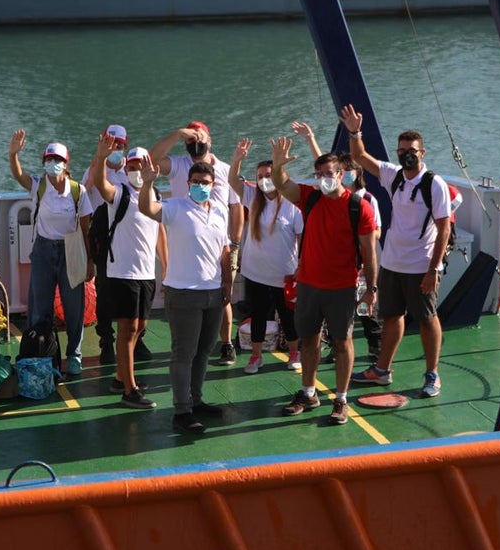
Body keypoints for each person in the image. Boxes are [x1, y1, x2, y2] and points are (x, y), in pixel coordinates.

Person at [340, 104, 453, 398]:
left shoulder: (434, 184)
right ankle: (382, 370)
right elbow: (360, 157)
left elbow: (444, 229)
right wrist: (355, 132)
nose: (407, 154)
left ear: (422, 153)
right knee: (391, 316)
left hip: (421, 267)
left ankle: (432, 374)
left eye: (412, 150)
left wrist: (433, 269)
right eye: (402, 150)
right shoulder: (394, 176)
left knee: (428, 318)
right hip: (392, 263)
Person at [270, 137, 377, 426]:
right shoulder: (311, 197)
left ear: (341, 174)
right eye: (319, 175)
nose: (323, 179)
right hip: (309, 285)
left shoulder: (359, 207)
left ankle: (341, 399)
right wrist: (278, 165)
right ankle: (309, 392)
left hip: (342, 287)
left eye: (329, 174)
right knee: (309, 341)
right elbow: (282, 184)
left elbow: (369, 251)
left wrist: (371, 289)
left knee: (342, 343)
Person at [138, 154, 232, 435]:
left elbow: (224, 251)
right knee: (184, 353)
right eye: (195, 182)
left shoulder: (219, 211)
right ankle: (181, 411)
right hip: (183, 294)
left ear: (213, 184)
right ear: (188, 183)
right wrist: (147, 184)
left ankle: (196, 399)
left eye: (205, 182)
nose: (200, 186)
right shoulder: (175, 207)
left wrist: (227, 283)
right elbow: (147, 209)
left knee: (203, 351)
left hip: (213, 293)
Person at [150, 121, 243, 366]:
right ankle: (191, 348)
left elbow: (236, 207)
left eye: (199, 137)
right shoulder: (179, 165)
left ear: (210, 140)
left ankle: (227, 344)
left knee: (224, 295)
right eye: (190, 139)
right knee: (188, 299)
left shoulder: (224, 170)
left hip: (220, 244)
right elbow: (152, 160)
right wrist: (177, 133)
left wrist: (235, 242)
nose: (195, 142)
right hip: (185, 243)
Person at [292, 121, 383, 362]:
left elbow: (375, 235)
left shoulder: (365, 201)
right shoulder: (326, 195)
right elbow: (324, 164)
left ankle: (375, 344)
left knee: (365, 310)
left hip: (358, 266)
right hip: (331, 274)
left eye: (351, 169)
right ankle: (333, 347)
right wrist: (310, 138)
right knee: (338, 319)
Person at [7, 128, 94, 375]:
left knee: (73, 306)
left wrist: (89, 262)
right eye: (49, 160)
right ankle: (40, 351)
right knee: (40, 306)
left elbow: (86, 229)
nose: (52, 164)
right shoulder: (39, 186)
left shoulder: (78, 191)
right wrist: (13, 154)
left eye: (57, 160)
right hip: (43, 250)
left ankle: (74, 355)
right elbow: (19, 174)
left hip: (70, 251)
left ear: (66, 164)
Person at [88, 137, 164, 409]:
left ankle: (121, 377)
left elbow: (160, 232)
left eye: (141, 165)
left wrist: (165, 265)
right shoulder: (120, 193)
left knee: (140, 327)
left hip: (146, 273)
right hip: (122, 272)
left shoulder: (154, 195)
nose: (136, 169)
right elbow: (100, 183)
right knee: (127, 328)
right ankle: (129, 390)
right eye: (132, 165)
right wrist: (100, 157)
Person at [80, 124, 156, 366]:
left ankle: (138, 339)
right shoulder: (95, 168)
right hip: (103, 237)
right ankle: (106, 341)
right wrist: (99, 158)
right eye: (112, 144)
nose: (117, 149)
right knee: (104, 292)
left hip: (129, 240)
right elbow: (84, 196)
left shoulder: (133, 169)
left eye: (120, 145)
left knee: (136, 298)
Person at [227, 137, 303, 374]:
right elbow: (232, 181)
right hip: (255, 272)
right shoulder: (252, 198)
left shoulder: (293, 204)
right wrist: (237, 159)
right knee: (258, 315)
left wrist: (302, 266)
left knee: (288, 316)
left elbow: (302, 238)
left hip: (284, 274)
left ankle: (294, 352)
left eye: (268, 175)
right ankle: (256, 356)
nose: (263, 181)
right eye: (259, 176)